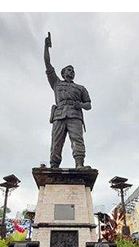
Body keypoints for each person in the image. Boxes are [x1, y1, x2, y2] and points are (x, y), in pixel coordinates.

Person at [44, 33, 92, 169]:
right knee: (56, 141)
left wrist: (80, 104)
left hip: (75, 114)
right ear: (63, 73)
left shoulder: (80, 88)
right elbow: (48, 65)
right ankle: (54, 165)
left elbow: (89, 105)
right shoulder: (56, 83)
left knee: (77, 140)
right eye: (69, 70)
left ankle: (79, 164)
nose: (71, 72)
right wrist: (46, 48)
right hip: (59, 114)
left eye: (73, 71)